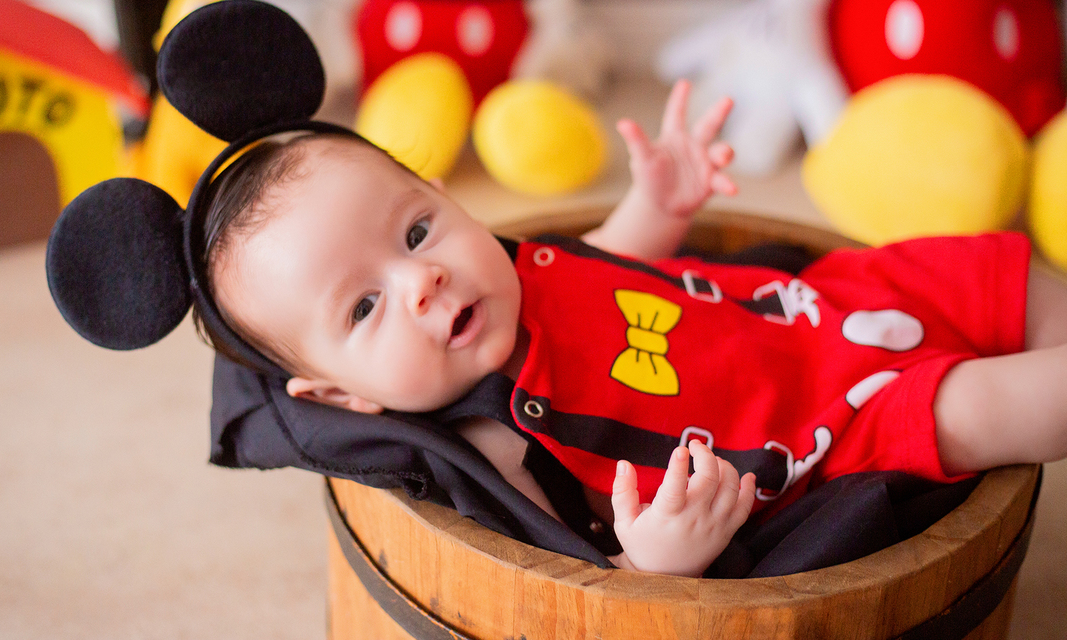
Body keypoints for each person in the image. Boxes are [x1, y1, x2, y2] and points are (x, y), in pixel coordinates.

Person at [195, 80, 1067, 578]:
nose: (421, 279)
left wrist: (658, 203)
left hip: (798, 308)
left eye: (418, 228)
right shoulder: (495, 443)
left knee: (999, 274)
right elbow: (578, 577)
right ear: (343, 395)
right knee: (996, 404)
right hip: (825, 427)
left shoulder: (519, 269)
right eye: (364, 307)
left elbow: (609, 267)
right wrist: (656, 557)